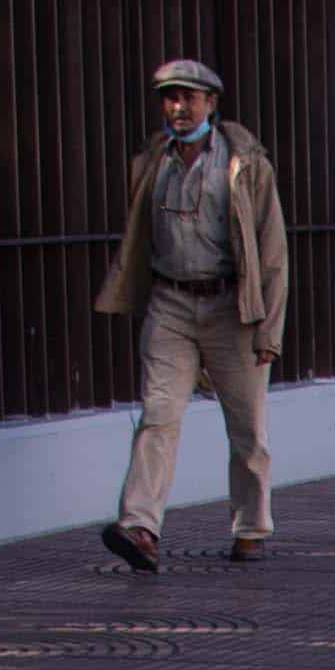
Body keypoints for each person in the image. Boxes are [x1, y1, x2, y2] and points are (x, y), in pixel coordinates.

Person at [98, 58, 289, 571]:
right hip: (171, 303)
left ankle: (250, 526)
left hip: (234, 307)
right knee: (158, 415)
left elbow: (272, 252)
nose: (178, 107)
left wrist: (270, 326)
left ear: (211, 102)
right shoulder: (153, 159)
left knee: (247, 427)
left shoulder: (245, 162)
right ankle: (140, 527)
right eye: (168, 97)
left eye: (189, 97)